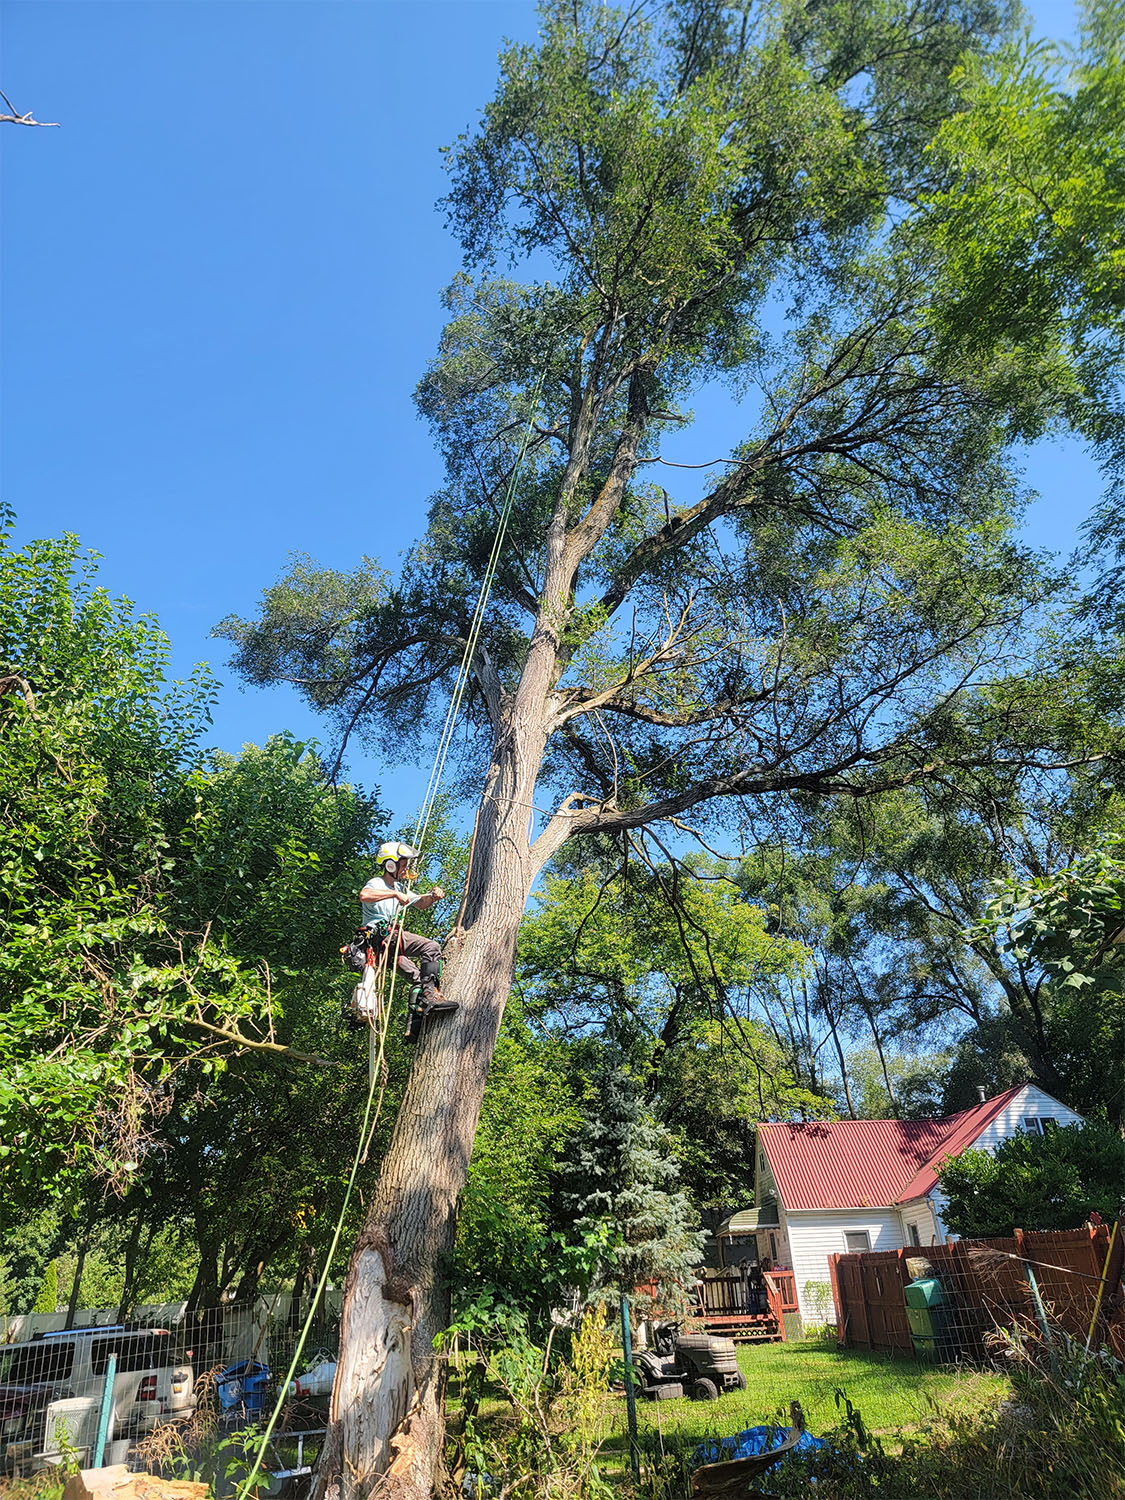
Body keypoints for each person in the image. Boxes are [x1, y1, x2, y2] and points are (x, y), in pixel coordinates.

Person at [359, 841, 458, 1015]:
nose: (405, 869)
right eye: (403, 865)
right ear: (390, 865)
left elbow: (421, 903)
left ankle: (416, 1021)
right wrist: (394, 894)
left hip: (387, 948)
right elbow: (364, 895)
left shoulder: (400, 888)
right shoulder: (377, 883)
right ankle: (431, 997)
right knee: (431, 947)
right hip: (382, 936)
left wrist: (433, 897)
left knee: (420, 978)